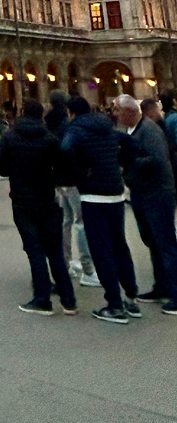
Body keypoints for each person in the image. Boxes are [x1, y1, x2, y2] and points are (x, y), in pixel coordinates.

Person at [61, 95, 140, 324]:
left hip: (94, 196)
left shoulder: (75, 128)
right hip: (115, 193)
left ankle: (114, 304)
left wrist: (80, 172)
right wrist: (123, 167)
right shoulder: (106, 125)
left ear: (71, 113)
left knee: (101, 250)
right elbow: (130, 144)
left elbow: (65, 148)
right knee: (119, 246)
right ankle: (131, 298)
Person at [0, 99, 77, 315]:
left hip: (22, 201)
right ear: (41, 115)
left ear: (22, 113)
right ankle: (69, 301)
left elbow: (1, 167)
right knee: (55, 250)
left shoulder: (11, 137)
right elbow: (62, 165)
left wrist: (16, 169)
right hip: (47, 199)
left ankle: (42, 300)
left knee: (35, 250)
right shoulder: (49, 138)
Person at [114, 94, 177, 314]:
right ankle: (161, 286)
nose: (115, 114)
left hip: (157, 193)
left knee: (165, 242)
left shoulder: (149, 131)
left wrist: (129, 165)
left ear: (130, 112)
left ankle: (175, 291)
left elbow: (158, 160)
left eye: (117, 110)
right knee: (152, 241)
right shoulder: (131, 131)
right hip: (142, 193)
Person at [44, 90, 100, 287]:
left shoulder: (48, 121)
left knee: (65, 222)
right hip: (73, 181)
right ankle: (88, 269)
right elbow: (69, 149)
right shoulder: (71, 126)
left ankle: (65, 264)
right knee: (81, 222)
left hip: (59, 180)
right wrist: (83, 171)